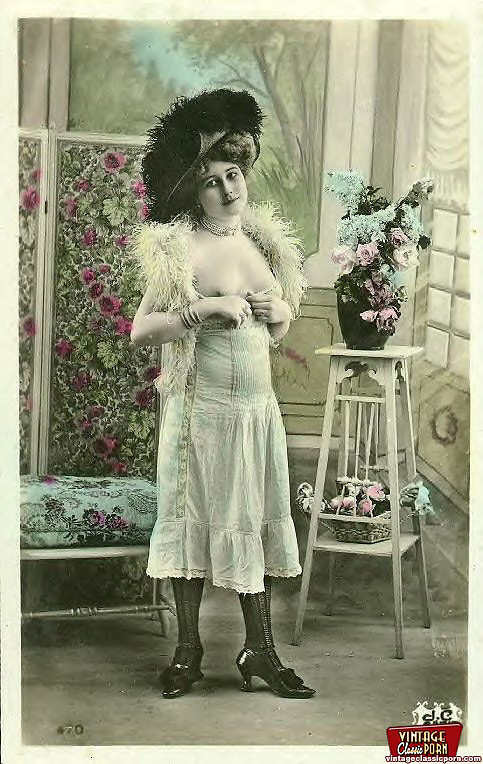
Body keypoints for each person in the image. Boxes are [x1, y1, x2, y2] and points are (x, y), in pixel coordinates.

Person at [130, 88, 314, 700]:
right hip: (200, 414)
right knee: (194, 524)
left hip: (255, 413)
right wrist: (203, 310)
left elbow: (277, 328)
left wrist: (279, 311)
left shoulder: (262, 243)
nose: (228, 190)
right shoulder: (181, 247)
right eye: (211, 182)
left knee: (252, 521)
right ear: (194, 191)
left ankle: (260, 650)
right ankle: (188, 651)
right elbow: (141, 330)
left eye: (233, 174)